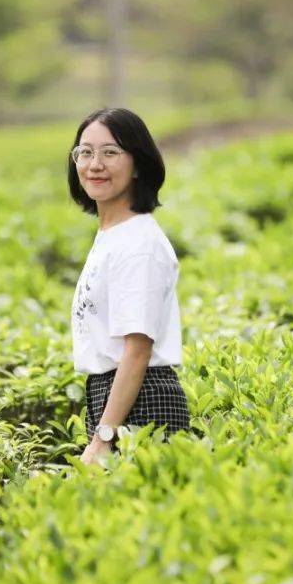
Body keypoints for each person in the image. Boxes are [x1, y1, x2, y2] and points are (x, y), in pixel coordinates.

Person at [68, 107, 191, 467]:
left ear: (137, 164)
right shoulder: (114, 235)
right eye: (85, 152)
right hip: (118, 398)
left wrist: (103, 436)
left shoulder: (138, 244)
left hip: (142, 402)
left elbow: (137, 351)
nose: (95, 164)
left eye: (110, 153)